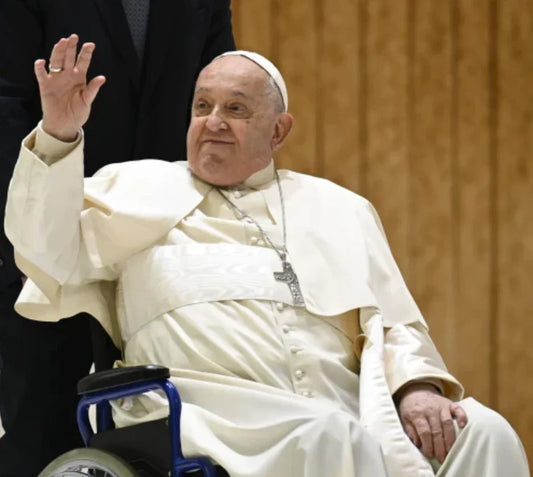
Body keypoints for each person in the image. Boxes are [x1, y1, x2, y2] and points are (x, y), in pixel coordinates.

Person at [5, 39, 530, 477]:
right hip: (205, 408)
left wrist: (415, 389)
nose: (213, 121)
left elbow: (393, 323)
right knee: (328, 436)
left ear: (278, 131)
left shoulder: (339, 207)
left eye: (236, 109)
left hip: (346, 403)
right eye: (202, 106)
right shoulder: (132, 186)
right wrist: (58, 134)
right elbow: (43, 250)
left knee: (481, 433)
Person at [0, 1, 235, 474]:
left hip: (159, 241)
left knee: (155, 430)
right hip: (47, 237)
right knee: (40, 423)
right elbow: (6, 101)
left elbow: (220, 88)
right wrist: (17, 229)